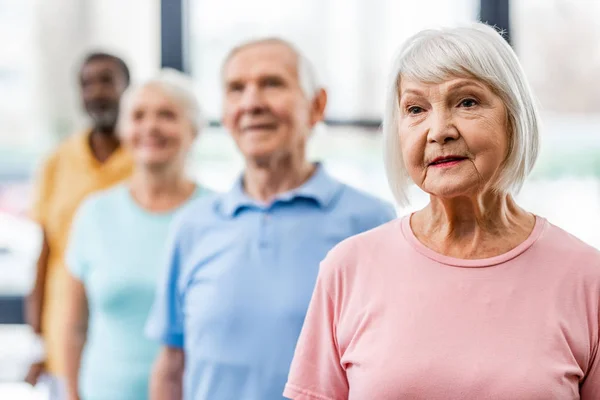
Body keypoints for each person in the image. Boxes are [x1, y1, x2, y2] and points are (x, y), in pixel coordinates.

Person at [284, 23, 600, 400]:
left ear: (514, 117)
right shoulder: (348, 268)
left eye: (467, 102)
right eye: (415, 109)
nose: (439, 131)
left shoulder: (587, 277)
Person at [146, 38, 396, 400]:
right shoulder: (192, 226)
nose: (251, 103)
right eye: (236, 89)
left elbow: (389, 367)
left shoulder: (371, 221)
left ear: (317, 105)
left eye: (272, 84)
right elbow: (171, 365)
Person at [62, 69, 209, 400]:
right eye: (138, 116)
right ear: (124, 130)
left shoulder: (217, 216)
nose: (150, 127)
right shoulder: (95, 213)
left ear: (194, 130)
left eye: (167, 115)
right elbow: (73, 328)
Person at [25, 52, 133, 389]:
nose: (97, 92)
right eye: (87, 84)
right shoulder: (56, 162)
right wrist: (37, 343)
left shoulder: (147, 160)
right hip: (63, 338)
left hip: (127, 338)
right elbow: (44, 254)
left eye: (107, 81)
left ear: (127, 88)